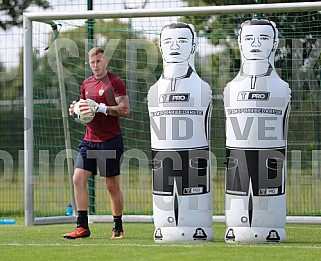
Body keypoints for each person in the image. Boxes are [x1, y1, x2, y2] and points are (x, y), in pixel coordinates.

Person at [63, 47, 130, 239]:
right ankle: (82, 227)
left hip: (110, 141)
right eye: (92, 62)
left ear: (105, 61)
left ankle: (117, 227)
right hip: (89, 141)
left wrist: (101, 107)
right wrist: (76, 109)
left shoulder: (115, 82)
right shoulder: (86, 84)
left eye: (99, 61)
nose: (95, 65)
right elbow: (85, 110)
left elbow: (125, 110)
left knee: (111, 185)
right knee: (78, 179)